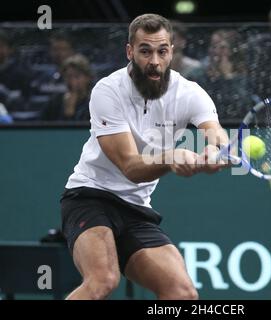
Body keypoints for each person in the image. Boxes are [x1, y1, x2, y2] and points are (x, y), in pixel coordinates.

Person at [60, 14, 230, 300]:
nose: (154, 61)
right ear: (130, 51)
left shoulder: (190, 93)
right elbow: (131, 167)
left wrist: (216, 151)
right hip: (90, 197)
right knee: (103, 280)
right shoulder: (107, 91)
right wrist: (171, 157)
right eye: (145, 51)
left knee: (182, 293)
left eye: (162, 51)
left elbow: (216, 133)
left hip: (135, 208)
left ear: (172, 52)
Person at [188, 29, 252, 122]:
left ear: (230, 51)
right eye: (213, 46)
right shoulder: (197, 75)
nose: (216, 51)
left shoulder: (241, 78)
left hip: (233, 126)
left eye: (222, 47)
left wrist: (228, 77)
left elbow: (243, 106)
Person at [41, 54, 93, 121]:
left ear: (88, 78)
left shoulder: (95, 102)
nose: (72, 81)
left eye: (77, 76)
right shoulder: (55, 102)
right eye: (68, 76)